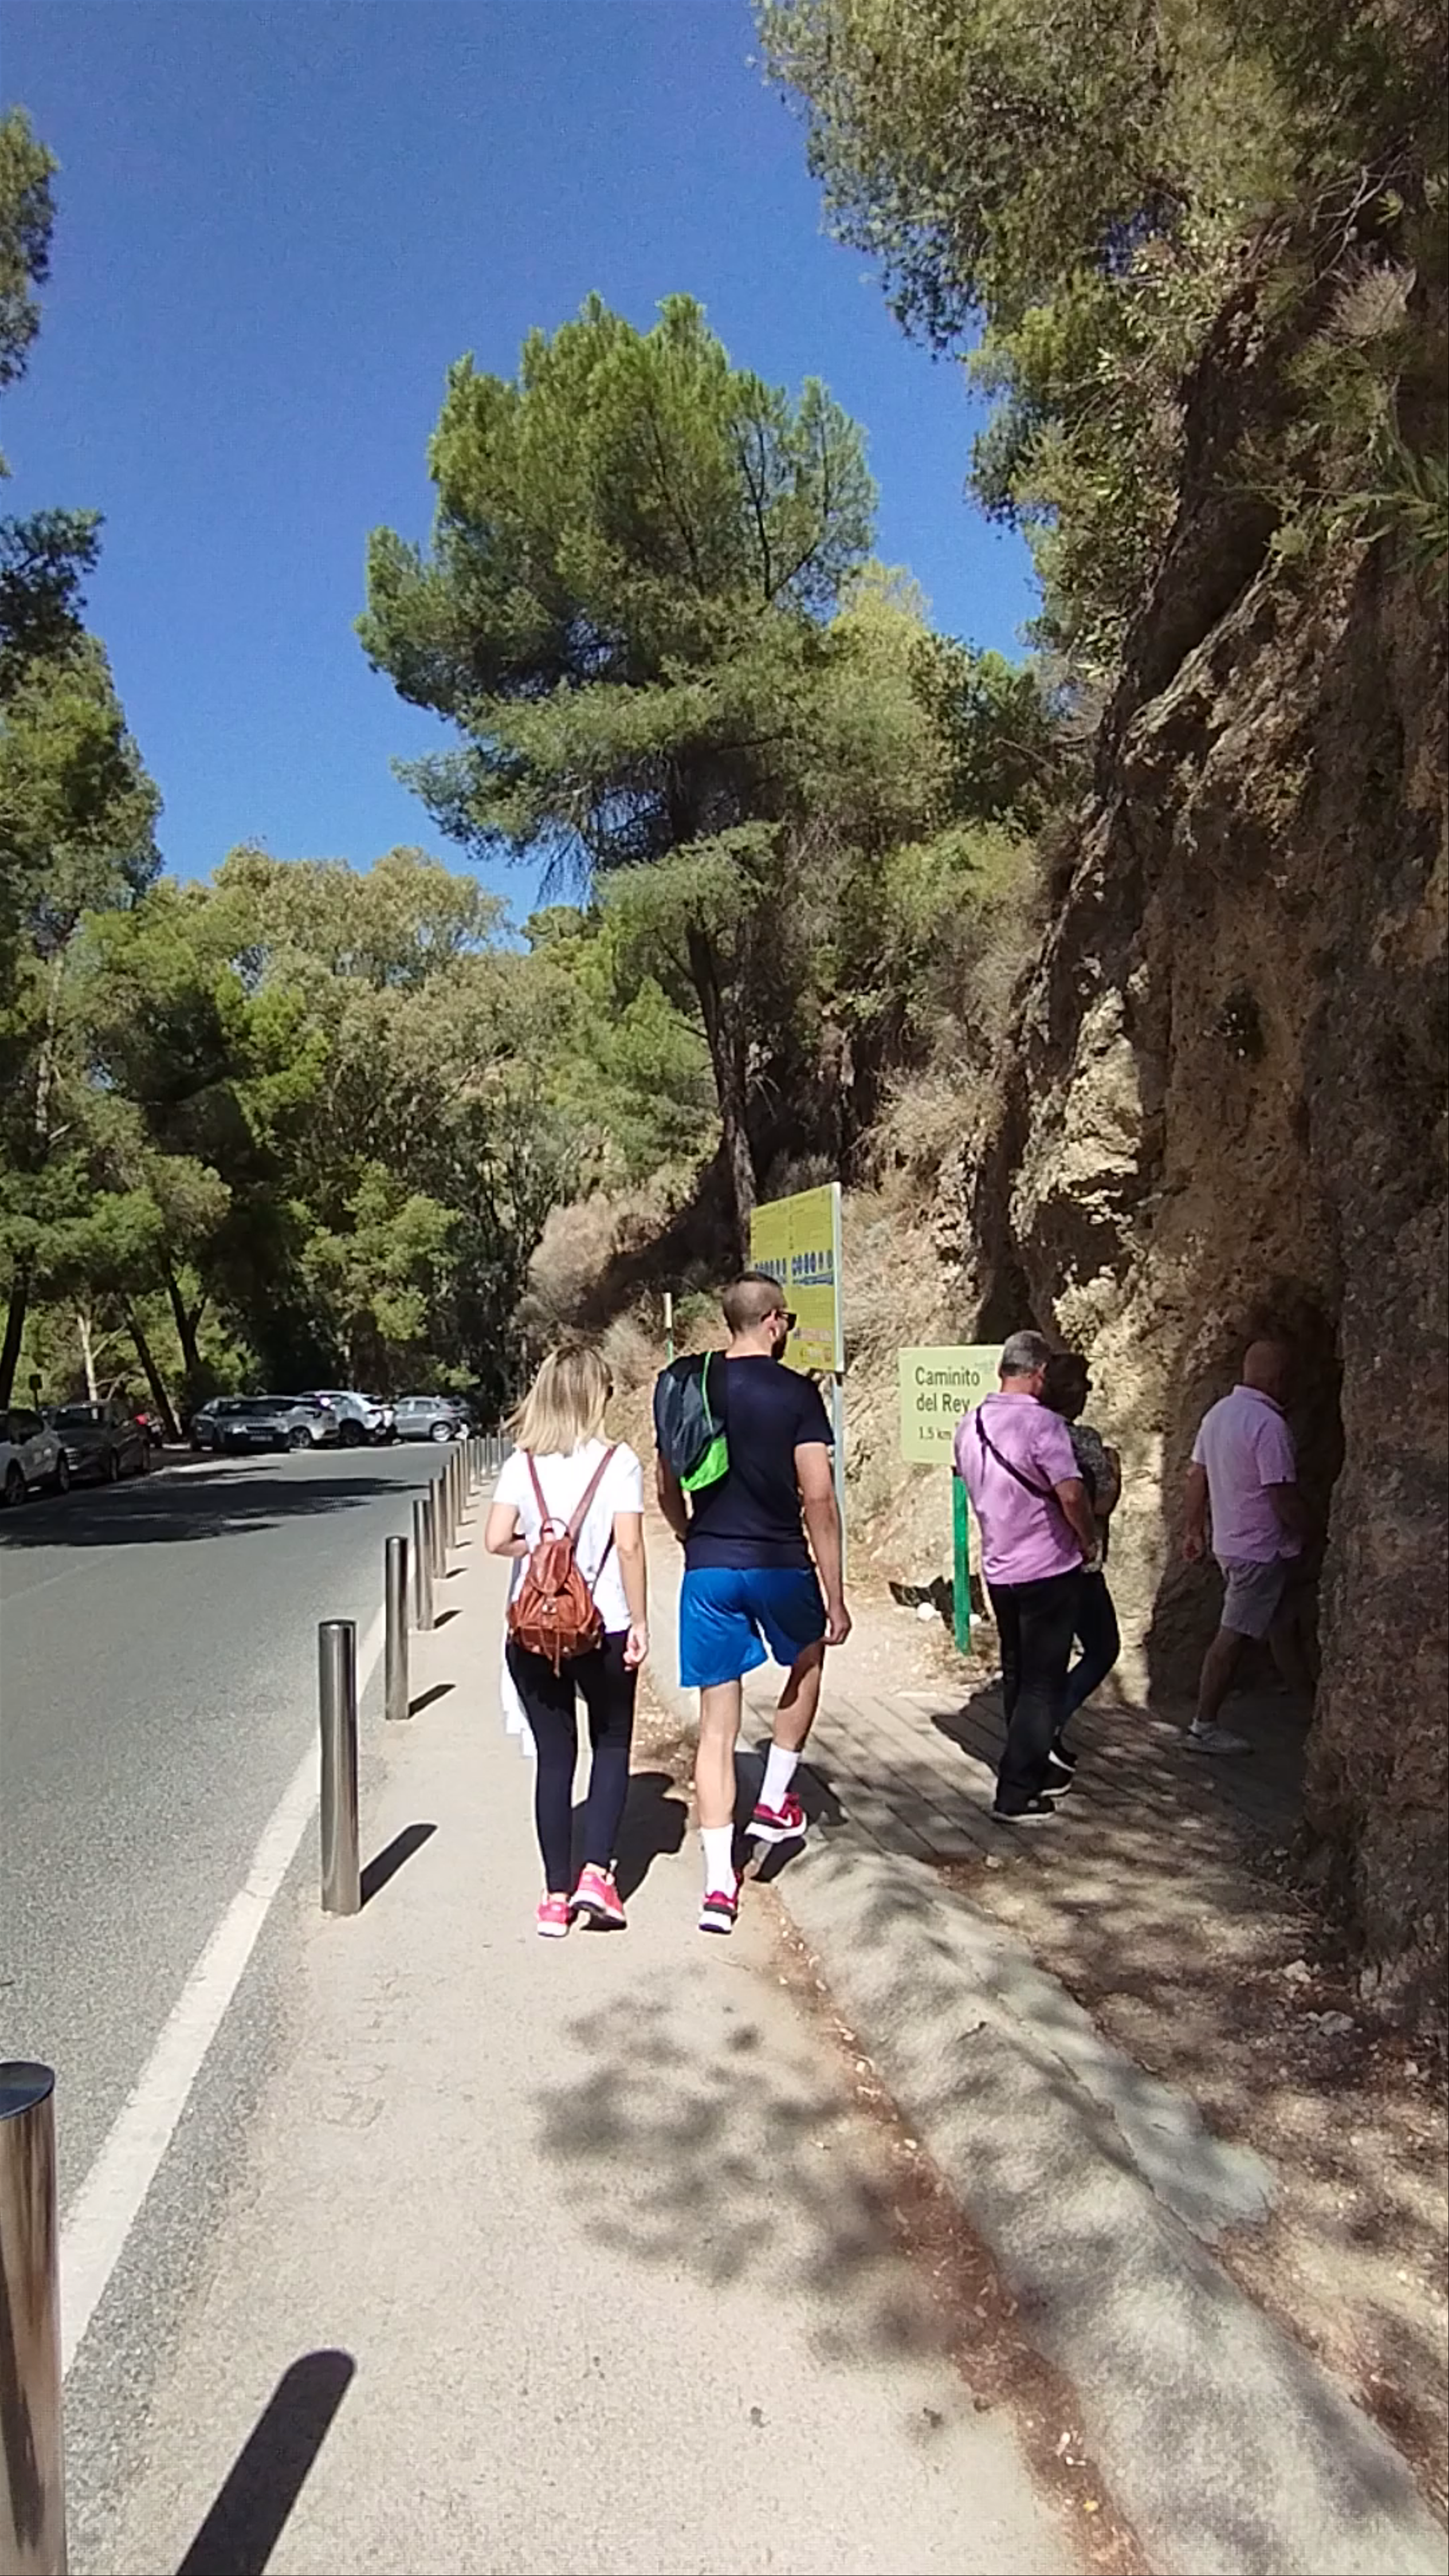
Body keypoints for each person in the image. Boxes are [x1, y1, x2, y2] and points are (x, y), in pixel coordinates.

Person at [655, 1273, 850, 1936]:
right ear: (770, 1321)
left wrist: (691, 1536)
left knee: (717, 1728)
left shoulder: (686, 1383)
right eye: (787, 1318)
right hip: (780, 1562)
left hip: (709, 1567)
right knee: (809, 1652)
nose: (788, 1327)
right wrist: (837, 1593)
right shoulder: (796, 1394)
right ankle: (772, 1799)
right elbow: (819, 1499)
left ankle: (717, 1887)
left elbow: (667, 1486)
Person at [486, 1346, 648, 1936]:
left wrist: (539, 1548)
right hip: (602, 1624)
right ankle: (596, 1875)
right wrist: (641, 1623)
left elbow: (494, 1539)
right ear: (596, 1394)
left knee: (555, 1759)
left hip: (532, 1629)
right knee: (611, 1743)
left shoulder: (520, 1462)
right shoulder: (620, 1462)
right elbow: (630, 1546)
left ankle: (554, 1896)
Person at [954, 1330, 1097, 1821]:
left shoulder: (969, 1423)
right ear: (1038, 1374)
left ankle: (1033, 1767)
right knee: (1042, 1682)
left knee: (1018, 1673)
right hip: (1048, 1568)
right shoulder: (1043, 1425)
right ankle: (1015, 1792)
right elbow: (1072, 1494)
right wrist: (1087, 1539)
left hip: (1000, 1566)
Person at [1182, 1338, 1310, 1754]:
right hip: (1260, 1550)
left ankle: (1312, 1707)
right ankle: (1204, 1725)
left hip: (1231, 1543)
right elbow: (1281, 1494)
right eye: (1290, 1376)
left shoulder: (1218, 1414)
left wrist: (1193, 1528)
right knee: (1232, 1637)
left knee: (1282, 1625)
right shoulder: (1269, 1425)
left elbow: (1196, 1476)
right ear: (1276, 1377)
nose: (1293, 1385)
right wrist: (1316, 1530)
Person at [1041, 1350, 1122, 1764]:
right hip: (1081, 1564)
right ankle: (1052, 1720)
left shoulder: (1027, 1433)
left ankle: (1038, 1734)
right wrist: (1116, 1468)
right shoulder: (1085, 1441)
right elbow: (1103, 1502)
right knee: (1103, 1647)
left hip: (1034, 1560)